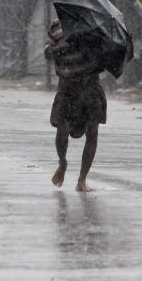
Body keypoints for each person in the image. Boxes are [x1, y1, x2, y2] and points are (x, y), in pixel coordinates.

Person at [44, 18, 106, 192]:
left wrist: (87, 44)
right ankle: (62, 163)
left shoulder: (95, 26)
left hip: (91, 85)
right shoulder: (57, 25)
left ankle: (82, 180)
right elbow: (48, 52)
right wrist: (61, 47)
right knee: (62, 130)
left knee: (92, 132)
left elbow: (104, 54)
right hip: (67, 86)